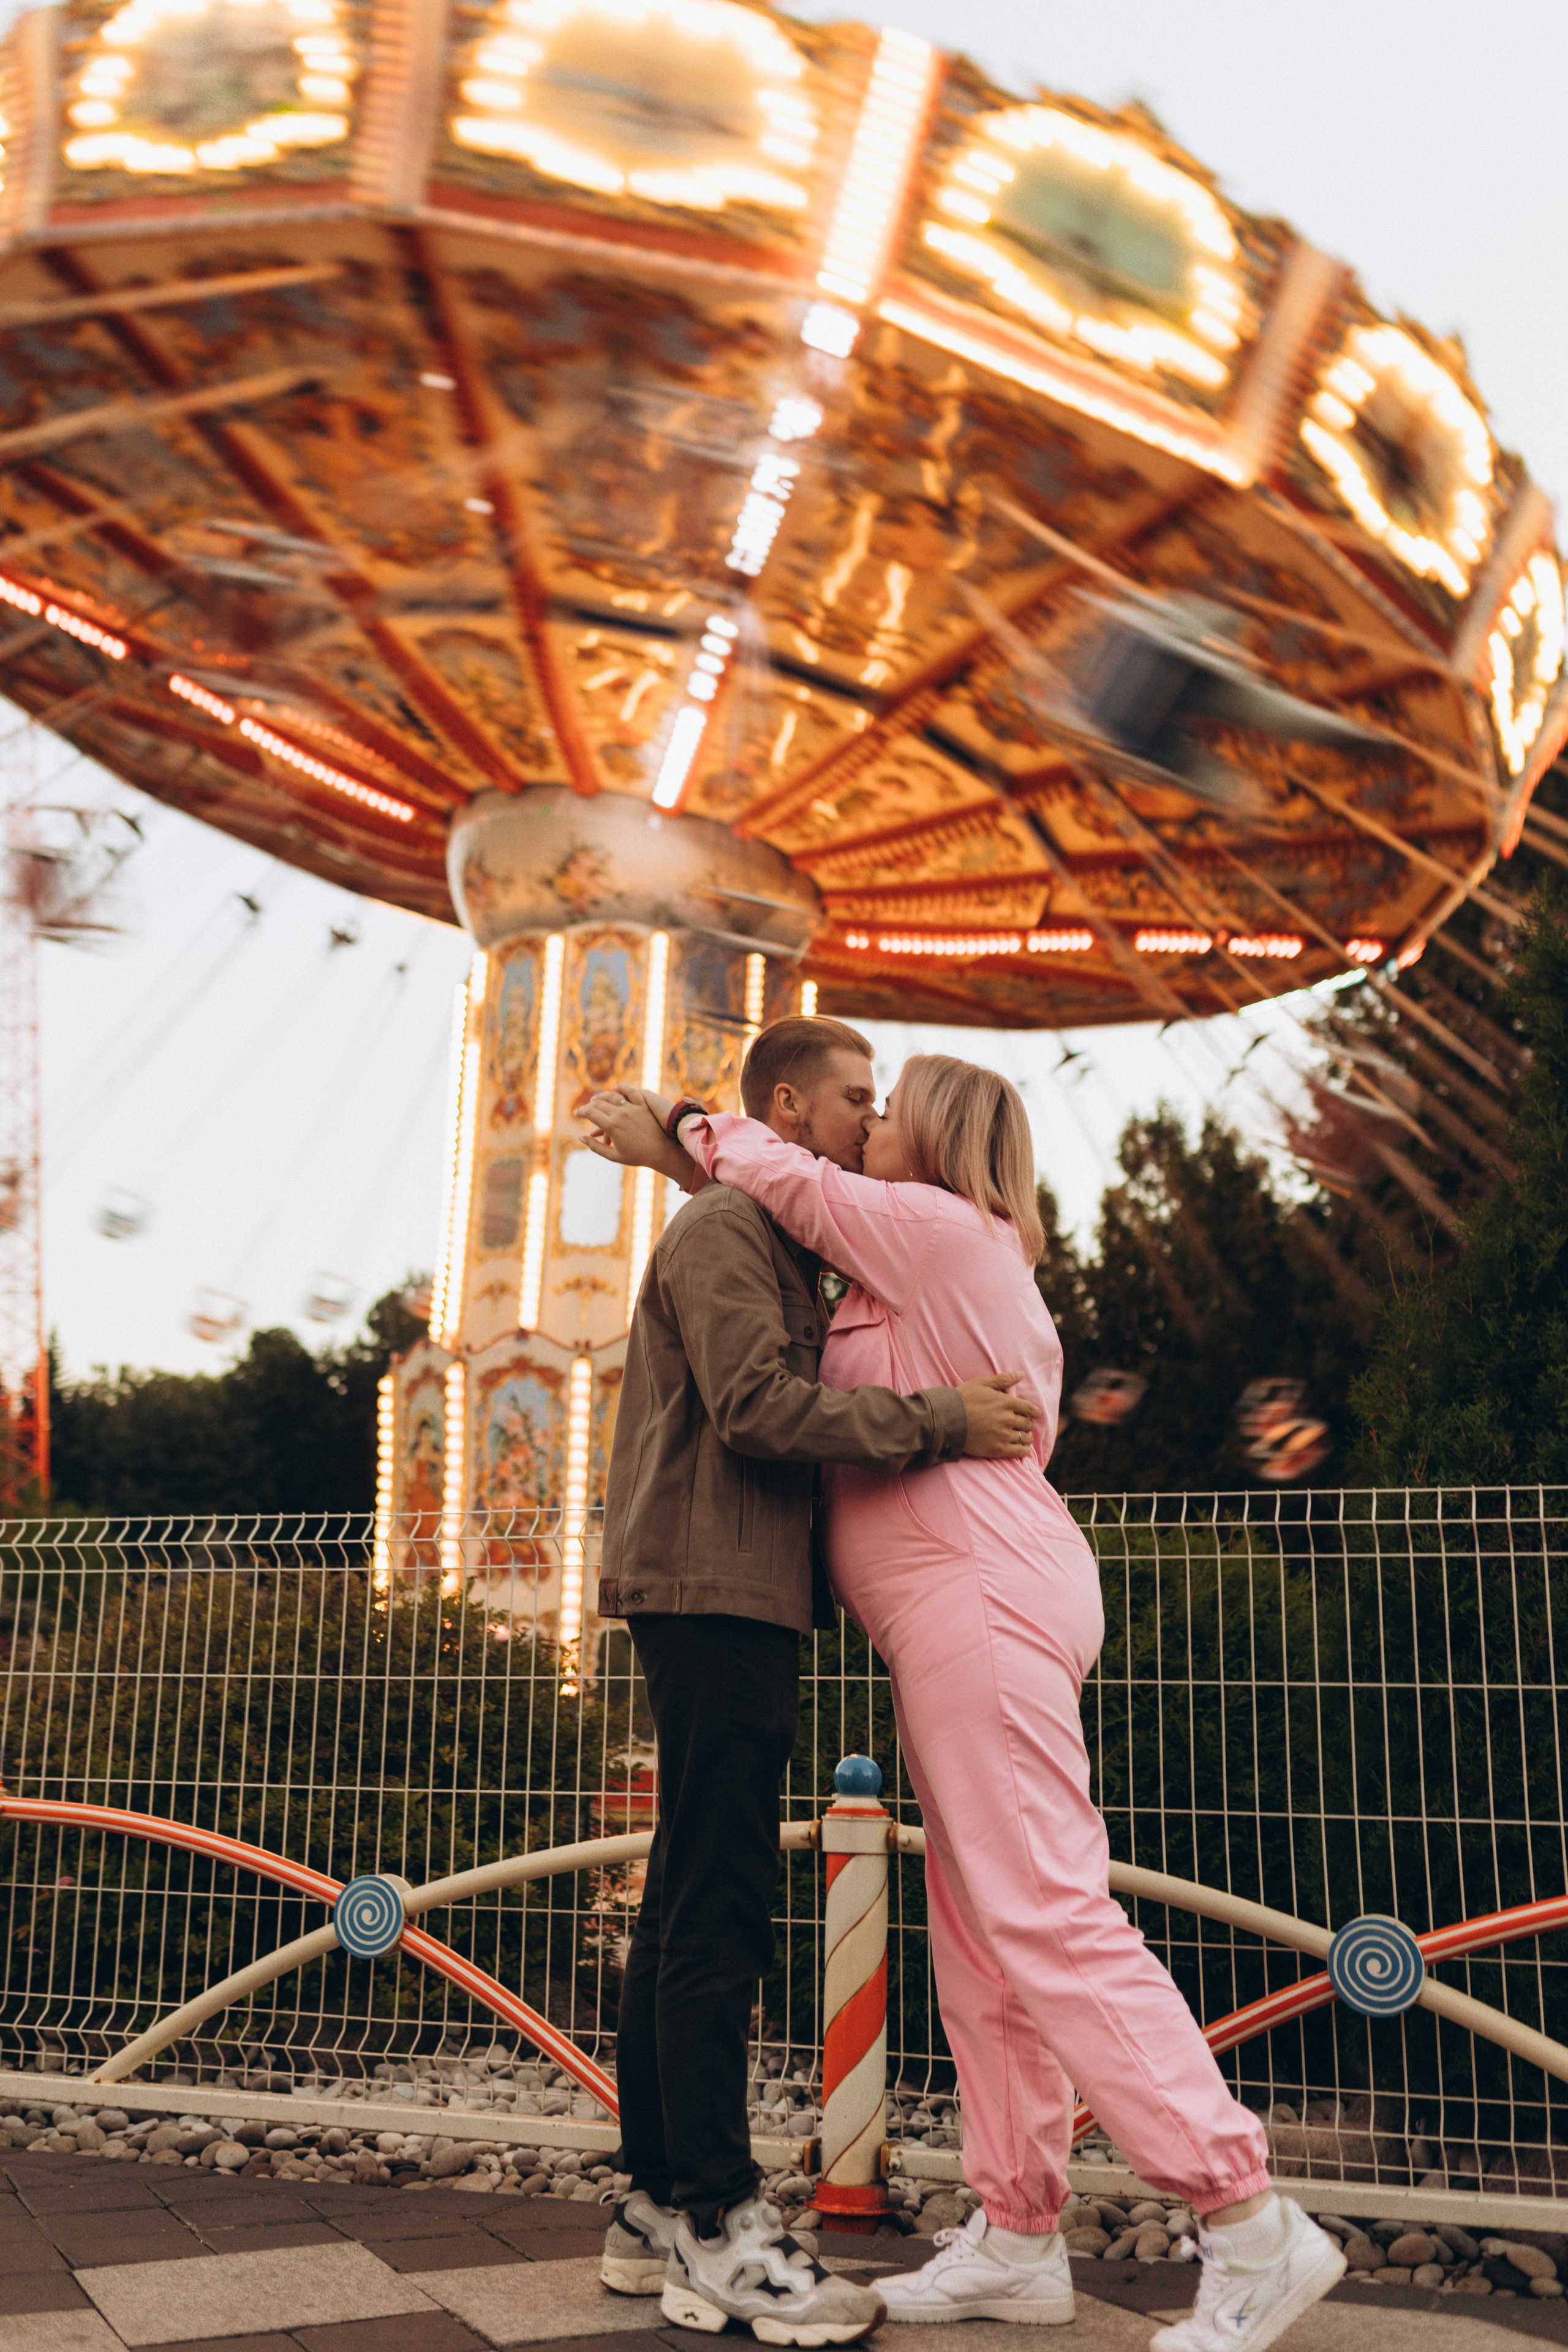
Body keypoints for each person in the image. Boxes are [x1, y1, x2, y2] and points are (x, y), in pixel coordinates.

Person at [582, 1056, 1347, 2352]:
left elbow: (781, 1176)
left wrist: (682, 1126)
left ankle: (1248, 2218)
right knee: (982, 1932)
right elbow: (778, 1231)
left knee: (1044, 1909)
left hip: (979, 1591)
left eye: (890, 1106)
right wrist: (684, 1164)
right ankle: (1018, 2233)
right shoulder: (896, 1257)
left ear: (937, 1137)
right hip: (952, 1603)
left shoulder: (937, 1228)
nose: (871, 1119)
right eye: (860, 1099)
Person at [584, 1017, 1042, 2349]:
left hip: (726, 1584)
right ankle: (719, 2220)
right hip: (714, 1586)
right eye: (854, 1098)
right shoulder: (726, 1231)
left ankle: (653, 2205)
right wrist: (945, 1421)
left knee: (685, 1892)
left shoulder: (756, 1228)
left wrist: (676, 1152)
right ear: (786, 1107)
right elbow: (758, 1407)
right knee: (718, 1900)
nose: (869, 1120)